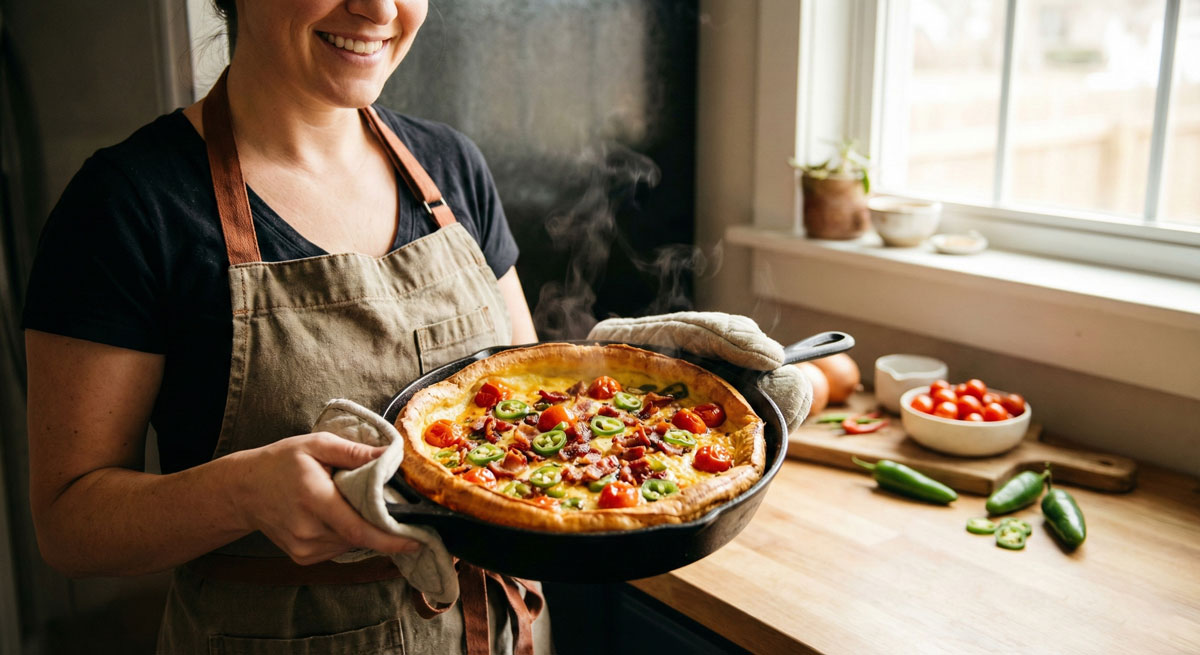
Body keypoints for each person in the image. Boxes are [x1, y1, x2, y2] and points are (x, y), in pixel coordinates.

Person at [23, 0, 548, 651]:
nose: (378, 8)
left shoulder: (452, 165)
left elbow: (530, 398)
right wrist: (240, 493)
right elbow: (68, 523)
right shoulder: (127, 204)